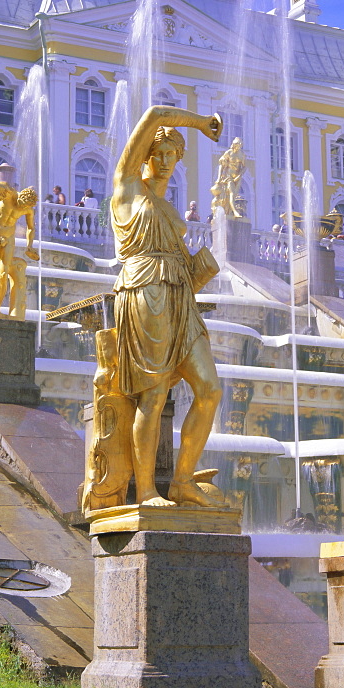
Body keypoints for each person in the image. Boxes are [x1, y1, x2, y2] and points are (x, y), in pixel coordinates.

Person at [111, 105, 223, 507]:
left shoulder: (173, 211)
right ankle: (145, 491)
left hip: (180, 297)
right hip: (144, 292)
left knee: (210, 389)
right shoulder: (126, 187)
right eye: (156, 153)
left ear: (178, 159)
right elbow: (155, 114)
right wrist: (200, 124)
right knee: (153, 397)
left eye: (171, 154)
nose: (162, 160)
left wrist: (200, 268)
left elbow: (181, 262)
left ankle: (182, 481)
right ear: (143, 156)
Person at [0, 178, 39, 316]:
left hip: (9, 237)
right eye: (21, 204)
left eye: (25, 207)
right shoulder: (7, 193)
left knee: (3, 274)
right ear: (20, 196)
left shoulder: (28, 211)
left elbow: (31, 228)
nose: (22, 208)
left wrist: (30, 245)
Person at [210, 137, 246, 218]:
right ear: (234, 145)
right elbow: (221, 166)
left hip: (237, 177)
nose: (238, 148)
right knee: (232, 194)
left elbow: (244, 167)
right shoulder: (229, 153)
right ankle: (235, 211)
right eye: (237, 146)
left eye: (240, 146)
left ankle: (229, 212)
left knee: (233, 195)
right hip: (228, 176)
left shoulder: (242, 155)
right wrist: (219, 178)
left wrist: (239, 175)